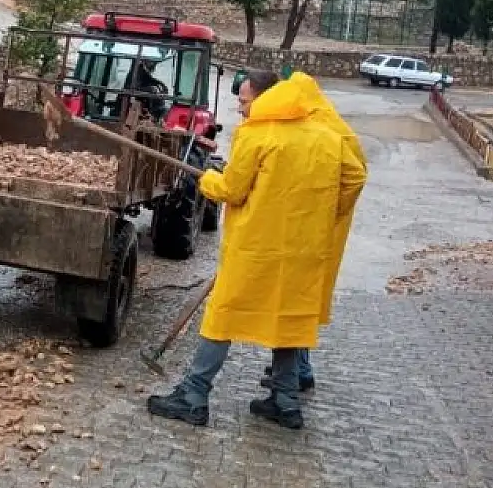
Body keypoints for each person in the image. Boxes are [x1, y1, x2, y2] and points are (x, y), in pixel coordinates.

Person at [147, 70, 367, 429]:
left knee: (223, 315)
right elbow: (356, 177)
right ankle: (285, 402)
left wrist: (206, 179)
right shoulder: (327, 137)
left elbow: (232, 190)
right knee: (289, 319)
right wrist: (324, 216)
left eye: (245, 101)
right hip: (304, 250)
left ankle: (194, 395)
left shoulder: (257, 135)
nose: (241, 107)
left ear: (266, 99)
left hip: (256, 248)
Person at [258, 72, 369, 393]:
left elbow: (355, 177)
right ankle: (298, 371)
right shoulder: (327, 122)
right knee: (299, 298)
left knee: (296, 300)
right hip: (316, 227)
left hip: (315, 231)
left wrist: (324, 211)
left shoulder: (324, 130)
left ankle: (292, 381)